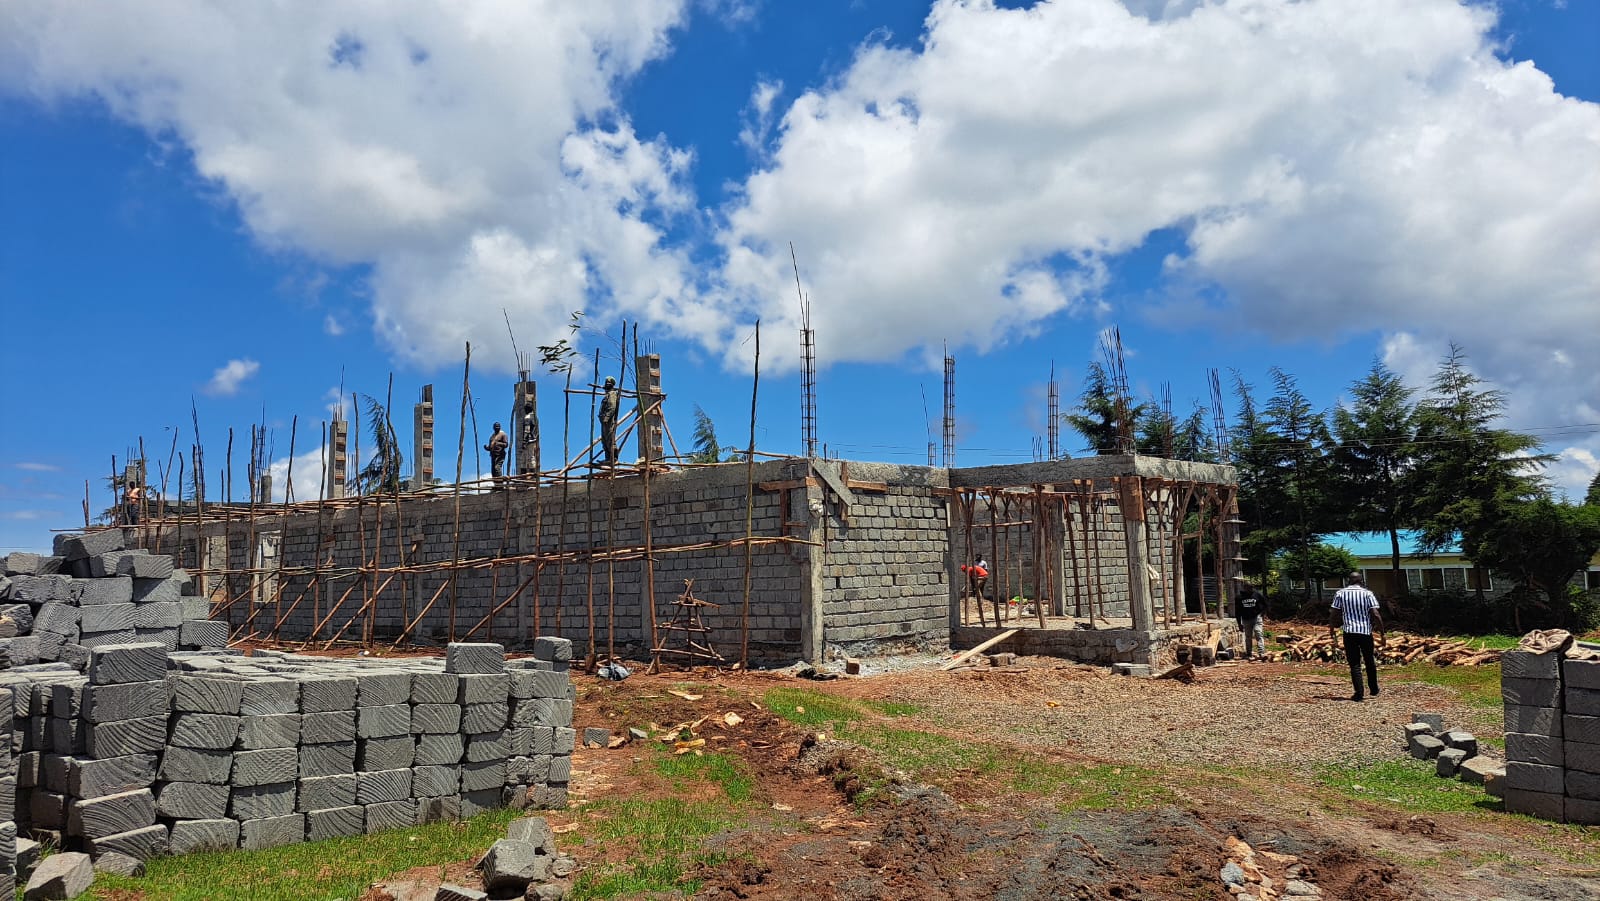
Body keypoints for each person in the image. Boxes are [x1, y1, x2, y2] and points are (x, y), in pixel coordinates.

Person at [1331, 572, 1385, 701]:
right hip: (1365, 631)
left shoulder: (1341, 593)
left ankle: (1359, 693)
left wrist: (1332, 628)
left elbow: (1334, 613)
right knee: (1369, 660)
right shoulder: (1368, 594)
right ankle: (1373, 689)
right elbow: (1375, 614)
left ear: (1348, 581)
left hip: (1349, 631)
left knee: (1354, 663)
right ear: (1361, 581)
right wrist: (1382, 632)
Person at [1233, 582, 1267, 659]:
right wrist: (1239, 623)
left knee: (1258, 633)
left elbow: (1265, 604)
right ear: (1244, 588)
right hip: (1245, 619)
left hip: (1256, 617)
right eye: (1248, 588)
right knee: (1248, 636)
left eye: (1251, 587)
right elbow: (1237, 611)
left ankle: (1261, 653)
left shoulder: (1257, 595)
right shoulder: (1239, 597)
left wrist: (1262, 614)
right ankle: (1249, 653)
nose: (1250, 589)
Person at [598, 376, 620, 466]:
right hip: (604, 421)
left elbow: (612, 407)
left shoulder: (612, 394)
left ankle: (613, 458)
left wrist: (606, 418)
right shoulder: (607, 394)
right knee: (604, 440)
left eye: (608, 385)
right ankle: (608, 459)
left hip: (608, 421)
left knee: (610, 439)